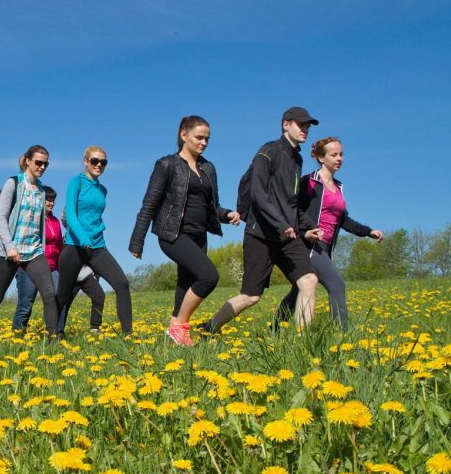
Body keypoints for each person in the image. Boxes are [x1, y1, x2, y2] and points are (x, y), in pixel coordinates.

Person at [200, 107, 323, 335]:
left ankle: (301, 342)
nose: (305, 130)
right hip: (261, 235)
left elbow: (292, 202)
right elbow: (258, 195)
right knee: (251, 296)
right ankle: (210, 327)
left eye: (307, 126)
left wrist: (306, 227)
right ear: (286, 124)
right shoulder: (269, 151)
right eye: (301, 124)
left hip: (288, 236)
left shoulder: (297, 158)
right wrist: (280, 223)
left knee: (308, 280)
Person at [129, 116, 241, 345]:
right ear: (184, 135)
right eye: (199, 137)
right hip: (173, 234)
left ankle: (172, 337)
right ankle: (180, 326)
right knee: (209, 276)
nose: (204, 143)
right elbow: (149, 203)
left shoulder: (208, 167)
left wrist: (227, 214)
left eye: (207, 139)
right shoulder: (167, 164)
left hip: (199, 235)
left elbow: (213, 206)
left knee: (185, 285)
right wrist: (136, 241)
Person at [274, 137, 383, 328]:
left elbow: (343, 220)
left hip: (325, 247)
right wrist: (305, 232)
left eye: (341, 154)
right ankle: (343, 335)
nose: (339, 158)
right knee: (337, 285)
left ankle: (275, 329)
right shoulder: (310, 181)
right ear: (321, 158)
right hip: (309, 244)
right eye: (334, 155)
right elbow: (294, 210)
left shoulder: (339, 187)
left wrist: (368, 231)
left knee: (298, 290)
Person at [0, 145, 59, 338]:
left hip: (33, 251)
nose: (42, 167)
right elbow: (1, 217)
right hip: (8, 251)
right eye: (38, 163)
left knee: (49, 294)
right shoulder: (13, 183)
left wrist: (40, 245)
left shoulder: (41, 190)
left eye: (46, 164)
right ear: (28, 161)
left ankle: (54, 343)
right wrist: (10, 247)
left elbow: (38, 223)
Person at [56, 146, 132, 335]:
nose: (99, 165)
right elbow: (71, 215)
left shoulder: (102, 190)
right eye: (94, 161)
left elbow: (95, 217)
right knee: (64, 294)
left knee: (122, 284)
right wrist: (82, 237)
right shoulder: (76, 182)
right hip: (75, 244)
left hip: (97, 246)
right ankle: (54, 334)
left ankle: (129, 334)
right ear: (86, 162)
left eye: (103, 162)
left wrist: (95, 236)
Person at [11, 187, 105, 335]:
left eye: (53, 200)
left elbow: (60, 246)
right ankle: (16, 336)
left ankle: (56, 335)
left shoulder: (54, 221)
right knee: (26, 304)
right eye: (47, 200)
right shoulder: (33, 218)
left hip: (53, 267)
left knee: (57, 298)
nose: (51, 203)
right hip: (30, 265)